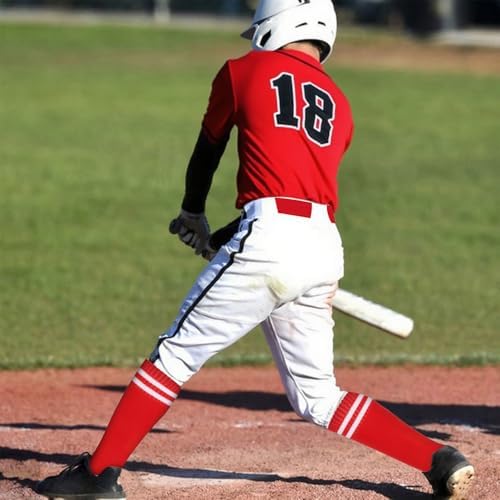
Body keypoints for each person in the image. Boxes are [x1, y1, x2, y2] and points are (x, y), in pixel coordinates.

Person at [36, 1, 475, 499]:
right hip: (321, 244)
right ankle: (435, 458)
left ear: (274, 21)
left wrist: (193, 213)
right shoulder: (340, 104)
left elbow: (209, 149)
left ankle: (98, 474)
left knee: (175, 355)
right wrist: (224, 238)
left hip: (267, 240)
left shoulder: (244, 70)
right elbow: (292, 189)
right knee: (317, 396)